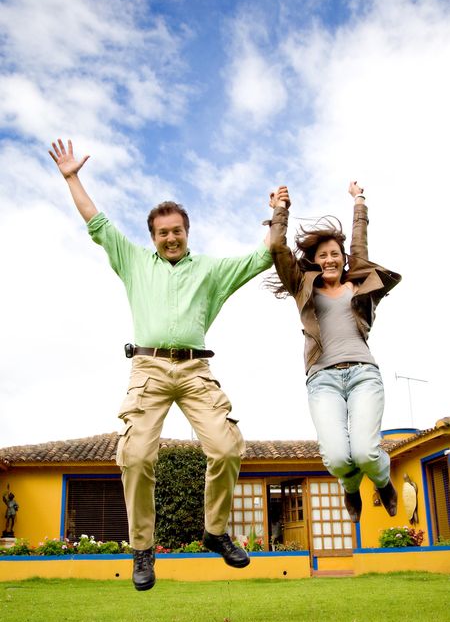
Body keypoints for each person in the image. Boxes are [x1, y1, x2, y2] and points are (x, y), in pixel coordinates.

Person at [49, 139, 274, 591]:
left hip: (194, 371)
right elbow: (97, 222)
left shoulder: (209, 270)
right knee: (133, 455)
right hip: (148, 370)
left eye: (177, 231)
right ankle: (143, 550)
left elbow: (260, 258)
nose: (170, 237)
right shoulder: (134, 261)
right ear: (153, 237)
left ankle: (214, 532)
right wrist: (73, 177)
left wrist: (276, 218)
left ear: (187, 232)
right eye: (162, 232)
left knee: (228, 447)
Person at [266, 182, 401, 523]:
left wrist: (359, 202)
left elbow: (360, 240)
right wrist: (280, 211)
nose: (329, 259)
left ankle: (383, 482)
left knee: (367, 452)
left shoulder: (359, 282)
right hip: (322, 379)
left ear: (343, 259)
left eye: (335, 254)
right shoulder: (301, 286)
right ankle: (351, 487)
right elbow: (278, 249)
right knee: (339, 458)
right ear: (314, 260)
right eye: (322, 255)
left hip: (363, 374)